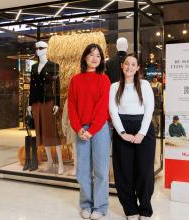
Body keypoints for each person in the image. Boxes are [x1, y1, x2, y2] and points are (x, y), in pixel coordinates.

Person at [109, 53, 155, 220]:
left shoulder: (144, 85)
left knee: (144, 171)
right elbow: (113, 111)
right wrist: (122, 133)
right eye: (126, 64)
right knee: (123, 172)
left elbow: (149, 109)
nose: (129, 67)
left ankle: (145, 209)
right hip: (123, 127)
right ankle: (130, 209)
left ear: (137, 68)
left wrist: (142, 133)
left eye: (133, 64)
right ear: (122, 66)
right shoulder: (114, 86)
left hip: (144, 128)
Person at [68, 43, 111, 220]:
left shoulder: (104, 79)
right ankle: (86, 204)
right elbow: (71, 106)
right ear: (85, 57)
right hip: (81, 130)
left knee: (101, 169)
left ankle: (100, 207)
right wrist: (78, 128)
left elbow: (103, 108)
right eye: (91, 54)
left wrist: (91, 130)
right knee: (83, 170)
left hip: (99, 129)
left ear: (101, 60)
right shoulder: (75, 79)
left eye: (98, 56)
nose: (94, 58)